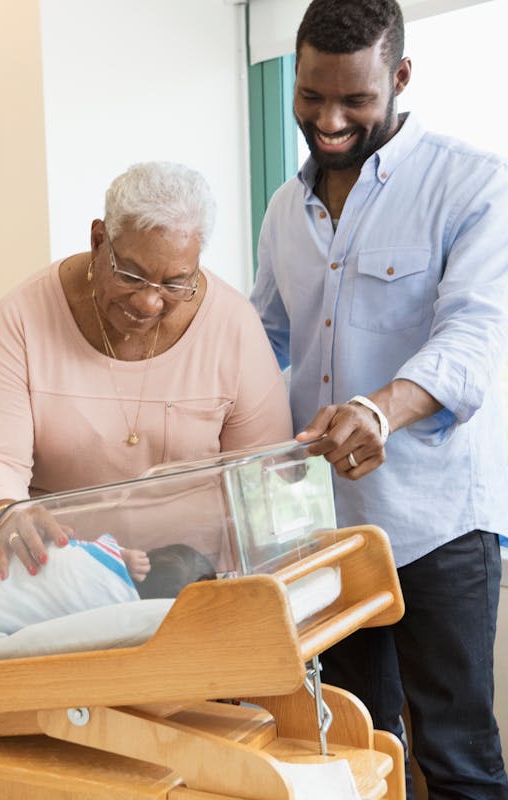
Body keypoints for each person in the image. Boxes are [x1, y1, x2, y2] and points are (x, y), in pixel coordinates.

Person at [250, 1, 508, 795]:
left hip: (438, 524)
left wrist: (377, 409)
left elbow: (474, 335)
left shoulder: (472, 183)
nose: (328, 120)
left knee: (456, 755)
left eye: (354, 100)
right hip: (325, 532)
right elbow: (264, 342)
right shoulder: (284, 210)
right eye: (310, 97)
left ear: (399, 77)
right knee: (353, 744)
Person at [0, 161, 293, 578]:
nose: (149, 302)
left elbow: (265, 477)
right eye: (131, 275)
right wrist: (6, 510)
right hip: (67, 577)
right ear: (99, 240)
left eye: (175, 284)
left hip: (201, 581)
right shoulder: (24, 314)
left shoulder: (233, 324)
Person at [0, 535, 214, 639]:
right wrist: (118, 556)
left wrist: (117, 553)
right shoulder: (109, 581)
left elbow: (82, 553)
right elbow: (70, 558)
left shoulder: (121, 603)